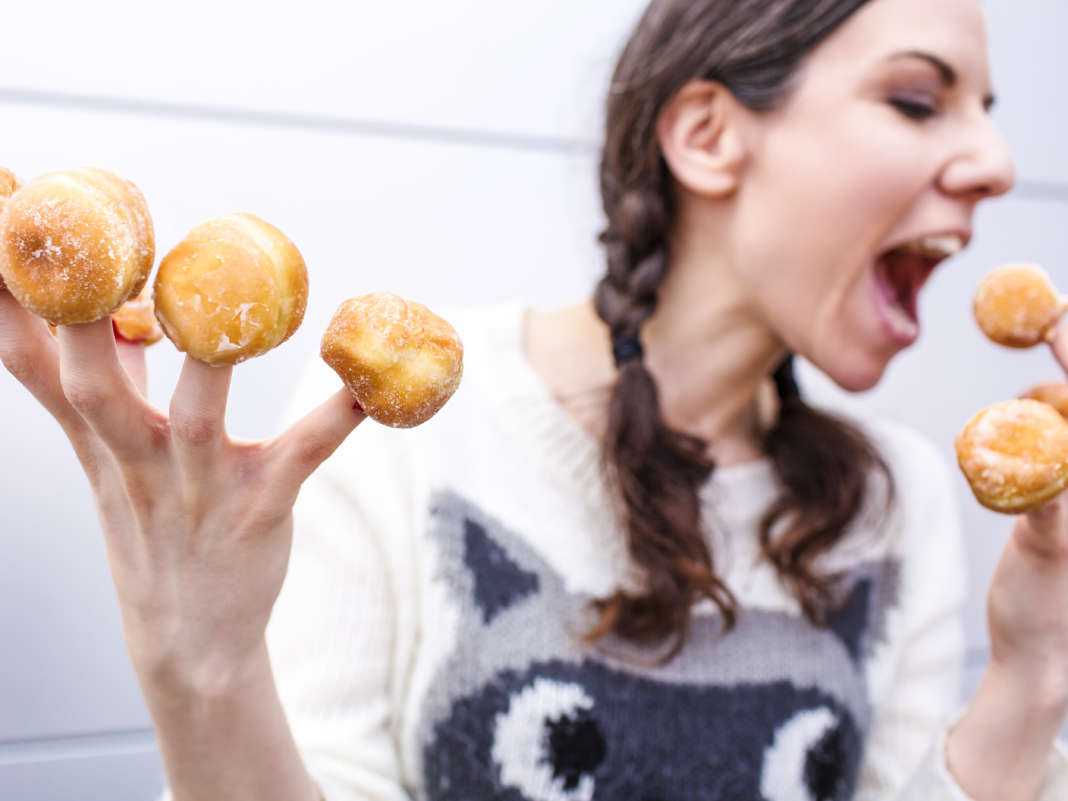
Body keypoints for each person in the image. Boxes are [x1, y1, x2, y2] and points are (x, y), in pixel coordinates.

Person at [1, 0, 1066, 798]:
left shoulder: (898, 493)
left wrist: (1034, 669)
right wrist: (205, 671)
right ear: (707, 135)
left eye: (987, 113)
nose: (997, 163)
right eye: (916, 101)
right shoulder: (395, 421)